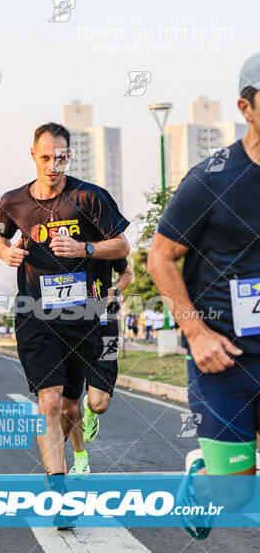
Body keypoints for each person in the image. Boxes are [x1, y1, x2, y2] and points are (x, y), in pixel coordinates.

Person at [148, 52, 260, 539]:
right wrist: (193, 332)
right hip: (224, 358)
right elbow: (160, 257)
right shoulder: (212, 178)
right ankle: (202, 483)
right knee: (236, 494)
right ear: (247, 107)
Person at [0, 121, 129, 479]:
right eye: (46, 158)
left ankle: (79, 424)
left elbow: (122, 247)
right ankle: (58, 488)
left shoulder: (90, 198)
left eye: (61, 158)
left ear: (70, 156)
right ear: (33, 156)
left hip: (91, 315)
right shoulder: (11, 202)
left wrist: (84, 247)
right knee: (50, 402)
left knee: (93, 405)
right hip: (36, 314)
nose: (53, 167)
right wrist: (4, 251)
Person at [68, 260, 134, 475]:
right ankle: (80, 457)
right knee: (68, 402)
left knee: (99, 404)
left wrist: (115, 290)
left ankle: (90, 411)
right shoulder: (55, 246)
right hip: (69, 327)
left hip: (108, 326)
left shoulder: (104, 241)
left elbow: (127, 273)